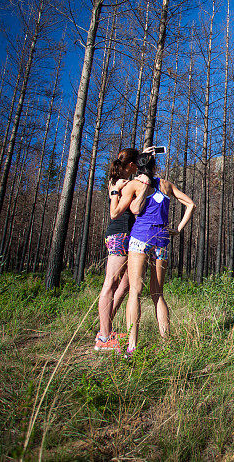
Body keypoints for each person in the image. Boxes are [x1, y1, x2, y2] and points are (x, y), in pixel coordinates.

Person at [112, 151, 195, 357]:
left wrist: (120, 191)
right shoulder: (166, 184)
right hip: (162, 239)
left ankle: (132, 347)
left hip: (140, 238)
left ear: (137, 168)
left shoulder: (133, 185)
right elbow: (191, 204)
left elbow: (125, 212)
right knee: (157, 294)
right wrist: (178, 228)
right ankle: (167, 344)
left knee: (135, 292)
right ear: (155, 167)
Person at [94, 147, 139, 351]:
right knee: (110, 284)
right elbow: (116, 211)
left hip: (126, 235)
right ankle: (103, 338)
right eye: (137, 163)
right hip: (119, 234)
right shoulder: (120, 183)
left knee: (127, 283)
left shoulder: (120, 179)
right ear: (130, 165)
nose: (139, 166)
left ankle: (106, 328)